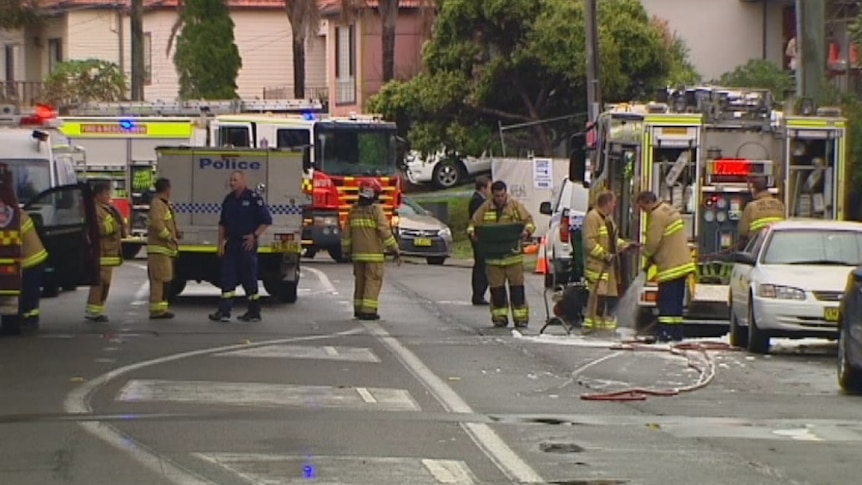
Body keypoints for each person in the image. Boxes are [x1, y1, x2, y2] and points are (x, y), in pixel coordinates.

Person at [467, 180, 536, 328]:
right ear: (493, 194)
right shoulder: (485, 208)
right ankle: (499, 318)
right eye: (497, 196)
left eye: (502, 195)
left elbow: (529, 221)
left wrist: (527, 231)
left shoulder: (516, 207)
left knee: (517, 290)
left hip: (513, 257)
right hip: (494, 259)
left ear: (506, 193)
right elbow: (473, 223)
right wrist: (473, 233)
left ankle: (521, 318)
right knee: (497, 291)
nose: (500, 199)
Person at [209, 171, 272, 323]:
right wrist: (220, 244)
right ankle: (224, 311)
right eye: (231, 180)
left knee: (248, 277)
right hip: (232, 243)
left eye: (235, 180)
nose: (232, 183)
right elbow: (222, 224)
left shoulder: (253, 198)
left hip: (246, 244)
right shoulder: (229, 200)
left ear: (243, 181)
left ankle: (254, 312)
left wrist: (254, 236)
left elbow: (266, 220)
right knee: (228, 277)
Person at [635, 190, 697, 342]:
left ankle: (666, 333)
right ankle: (676, 333)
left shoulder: (656, 215)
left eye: (643, 207)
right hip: (682, 264)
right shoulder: (668, 209)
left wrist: (645, 253)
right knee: (676, 302)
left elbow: (652, 242)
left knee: (667, 302)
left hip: (670, 266)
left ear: (648, 202)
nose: (643, 211)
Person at [341, 179, 401, 320]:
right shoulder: (376, 210)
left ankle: (358, 308)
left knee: (360, 282)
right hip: (373, 255)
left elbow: (346, 233)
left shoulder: (353, 210)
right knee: (372, 281)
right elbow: (384, 231)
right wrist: (395, 249)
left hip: (357, 255)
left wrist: (346, 250)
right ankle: (368, 311)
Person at [583, 191, 635, 335]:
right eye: (613, 203)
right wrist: (605, 255)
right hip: (598, 267)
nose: (614, 206)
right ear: (606, 203)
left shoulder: (607, 219)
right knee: (597, 299)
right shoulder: (592, 218)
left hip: (609, 268)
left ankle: (604, 327)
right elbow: (589, 243)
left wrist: (625, 246)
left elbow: (613, 240)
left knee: (608, 298)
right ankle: (592, 326)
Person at [85, 182, 126, 322]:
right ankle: (93, 311)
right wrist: (114, 226)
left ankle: (97, 310)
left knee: (105, 284)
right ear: (98, 195)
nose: (109, 196)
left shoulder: (105, 208)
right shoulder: (95, 210)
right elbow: (98, 230)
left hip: (108, 253)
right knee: (100, 283)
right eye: (106, 193)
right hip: (102, 253)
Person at [147, 177, 179, 320]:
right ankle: (156, 310)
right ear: (167, 189)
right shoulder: (157, 204)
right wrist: (168, 236)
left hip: (164, 249)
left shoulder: (163, 204)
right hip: (159, 249)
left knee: (165, 279)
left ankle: (161, 309)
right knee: (159, 280)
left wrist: (175, 233)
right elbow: (157, 222)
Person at [19, 208, 48, 330]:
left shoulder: (14, 216)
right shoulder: (18, 213)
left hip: (32, 259)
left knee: (29, 291)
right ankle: (29, 318)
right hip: (35, 257)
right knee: (30, 291)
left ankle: (31, 320)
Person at [737, 176, 785, 250]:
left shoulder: (751, 207)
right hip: (778, 246)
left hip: (757, 248)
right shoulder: (780, 204)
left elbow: (743, 232)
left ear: (754, 190)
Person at [469, 176, 491, 305]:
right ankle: (478, 294)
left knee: (482, 266)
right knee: (481, 266)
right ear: (483, 188)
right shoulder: (477, 201)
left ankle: (479, 294)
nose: (490, 191)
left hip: (480, 238)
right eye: (488, 187)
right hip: (478, 238)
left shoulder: (480, 200)